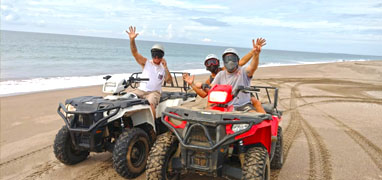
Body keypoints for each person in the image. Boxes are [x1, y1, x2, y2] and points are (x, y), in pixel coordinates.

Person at [183, 39, 266, 113]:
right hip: (223, 103)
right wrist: (194, 84)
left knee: (254, 112)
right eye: (209, 63)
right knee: (207, 112)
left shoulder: (240, 70)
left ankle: (268, 123)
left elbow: (252, 67)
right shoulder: (220, 75)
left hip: (241, 102)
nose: (211, 65)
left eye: (213, 61)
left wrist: (255, 54)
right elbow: (207, 91)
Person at [126, 26, 172, 118]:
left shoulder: (163, 68)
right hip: (141, 90)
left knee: (151, 103)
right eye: (154, 55)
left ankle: (152, 127)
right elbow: (135, 53)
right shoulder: (146, 63)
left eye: (158, 56)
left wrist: (166, 68)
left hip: (154, 92)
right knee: (127, 99)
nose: (156, 58)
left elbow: (169, 81)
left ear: (162, 56)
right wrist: (132, 40)